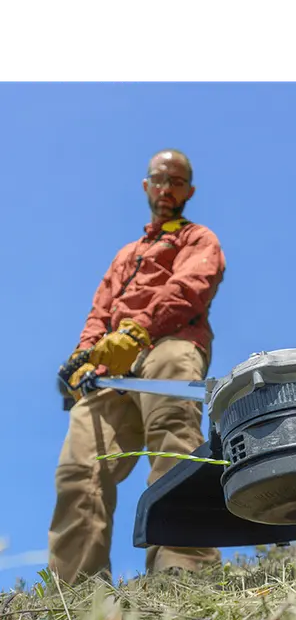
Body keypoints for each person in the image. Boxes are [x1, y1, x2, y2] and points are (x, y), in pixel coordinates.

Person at [48, 149, 226, 585]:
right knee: (78, 468)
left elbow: (190, 289)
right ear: (146, 185)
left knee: (174, 441)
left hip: (169, 344)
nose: (167, 189)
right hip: (110, 369)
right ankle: (76, 592)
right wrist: (84, 357)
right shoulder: (125, 254)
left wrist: (137, 331)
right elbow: (99, 311)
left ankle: (183, 571)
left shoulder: (197, 239)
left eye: (177, 182)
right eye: (159, 180)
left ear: (190, 191)